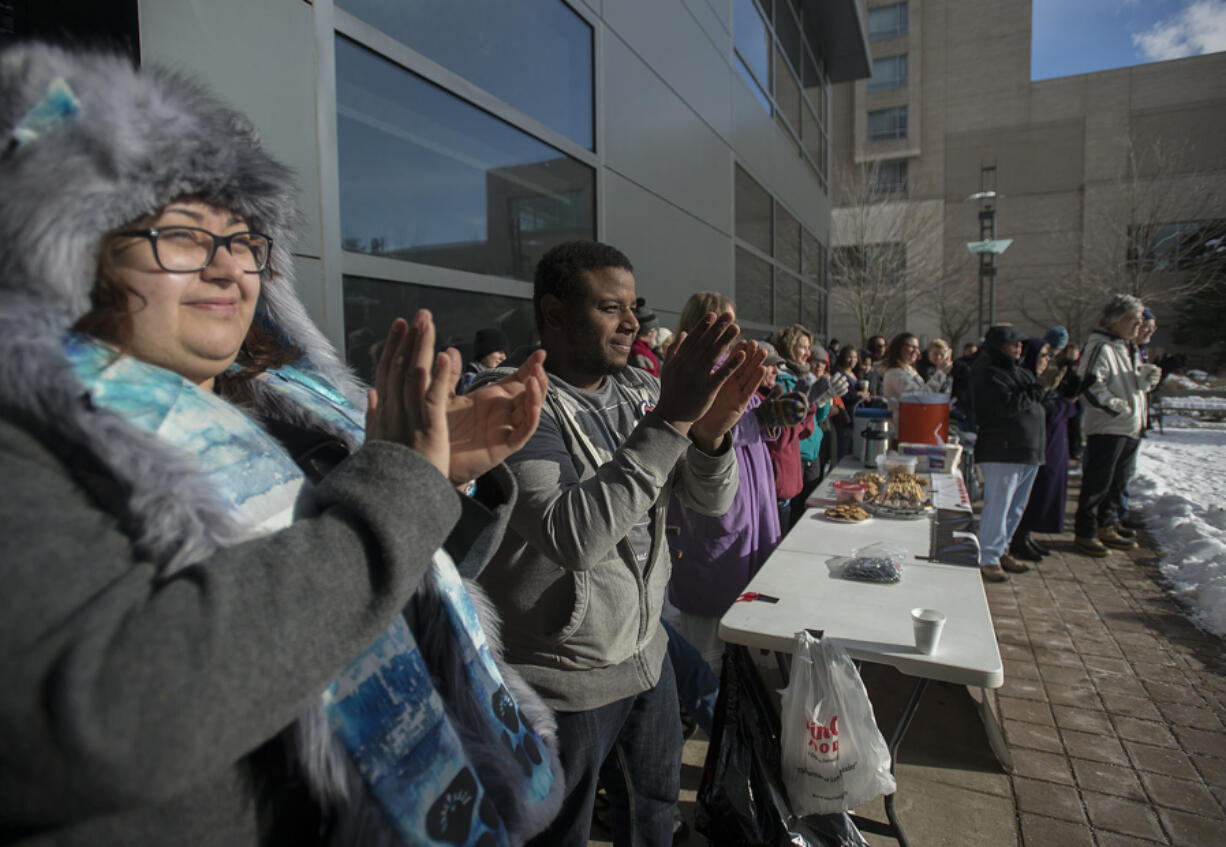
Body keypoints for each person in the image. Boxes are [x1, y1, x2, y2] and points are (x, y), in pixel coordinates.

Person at [0, 44, 563, 846]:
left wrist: (444, 485)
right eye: (184, 234)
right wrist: (395, 492)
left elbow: (363, 602)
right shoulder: (27, 433)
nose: (230, 267)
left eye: (243, 240)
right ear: (74, 252)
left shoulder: (288, 408)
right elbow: (111, 718)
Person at [470, 241, 763, 846]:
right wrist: (673, 422)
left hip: (646, 658)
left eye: (635, 306)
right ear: (553, 313)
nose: (633, 323)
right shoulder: (515, 401)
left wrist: (708, 436)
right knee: (562, 834)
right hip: (562, 684)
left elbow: (708, 501)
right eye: (611, 307)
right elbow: (571, 536)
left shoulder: (634, 391)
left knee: (654, 817)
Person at [666, 291, 776, 674]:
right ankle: (706, 698)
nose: (732, 330)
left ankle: (735, 687)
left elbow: (752, 421)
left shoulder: (736, 366)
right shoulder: (688, 373)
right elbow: (693, 433)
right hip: (715, 501)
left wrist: (772, 415)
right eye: (721, 321)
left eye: (733, 320)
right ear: (700, 324)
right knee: (711, 636)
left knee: (746, 615)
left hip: (751, 497)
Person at [1074, 295, 1160, 556]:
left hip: (1129, 426)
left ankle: (1107, 524)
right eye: (1134, 319)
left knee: (1117, 481)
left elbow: (1129, 385)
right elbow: (1089, 384)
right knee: (1098, 481)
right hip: (1108, 426)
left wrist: (1145, 379)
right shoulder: (1101, 347)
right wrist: (1116, 407)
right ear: (1116, 320)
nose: (1139, 324)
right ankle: (1086, 531)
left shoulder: (1126, 347)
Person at [971, 325, 1049, 582]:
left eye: (1020, 344)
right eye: (1012, 344)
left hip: (1027, 449)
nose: (1018, 348)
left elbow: (1039, 401)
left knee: (1016, 507)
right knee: (999, 505)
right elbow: (1005, 407)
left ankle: (1001, 548)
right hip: (1003, 450)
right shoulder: (988, 373)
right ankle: (988, 557)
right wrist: (1038, 388)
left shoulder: (1021, 374)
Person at [1012, 338, 1079, 561]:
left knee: (1043, 493)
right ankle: (1017, 538)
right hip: (1037, 444)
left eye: (1049, 356)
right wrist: (1066, 401)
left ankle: (1027, 535)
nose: (1047, 360)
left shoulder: (1041, 379)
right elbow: (1046, 409)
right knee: (1030, 495)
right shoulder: (1025, 380)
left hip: (1052, 443)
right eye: (1043, 355)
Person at [457, 325, 509, 392]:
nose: (503, 358)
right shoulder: (471, 379)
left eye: (505, 353)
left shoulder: (499, 377)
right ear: (484, 353)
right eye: (499, 351)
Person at [629, 296, 661, 376]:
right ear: (649, 332)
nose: (657, 335)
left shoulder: (637, 349)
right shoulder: (641, 354)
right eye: (656, 331)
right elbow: (649, 384)